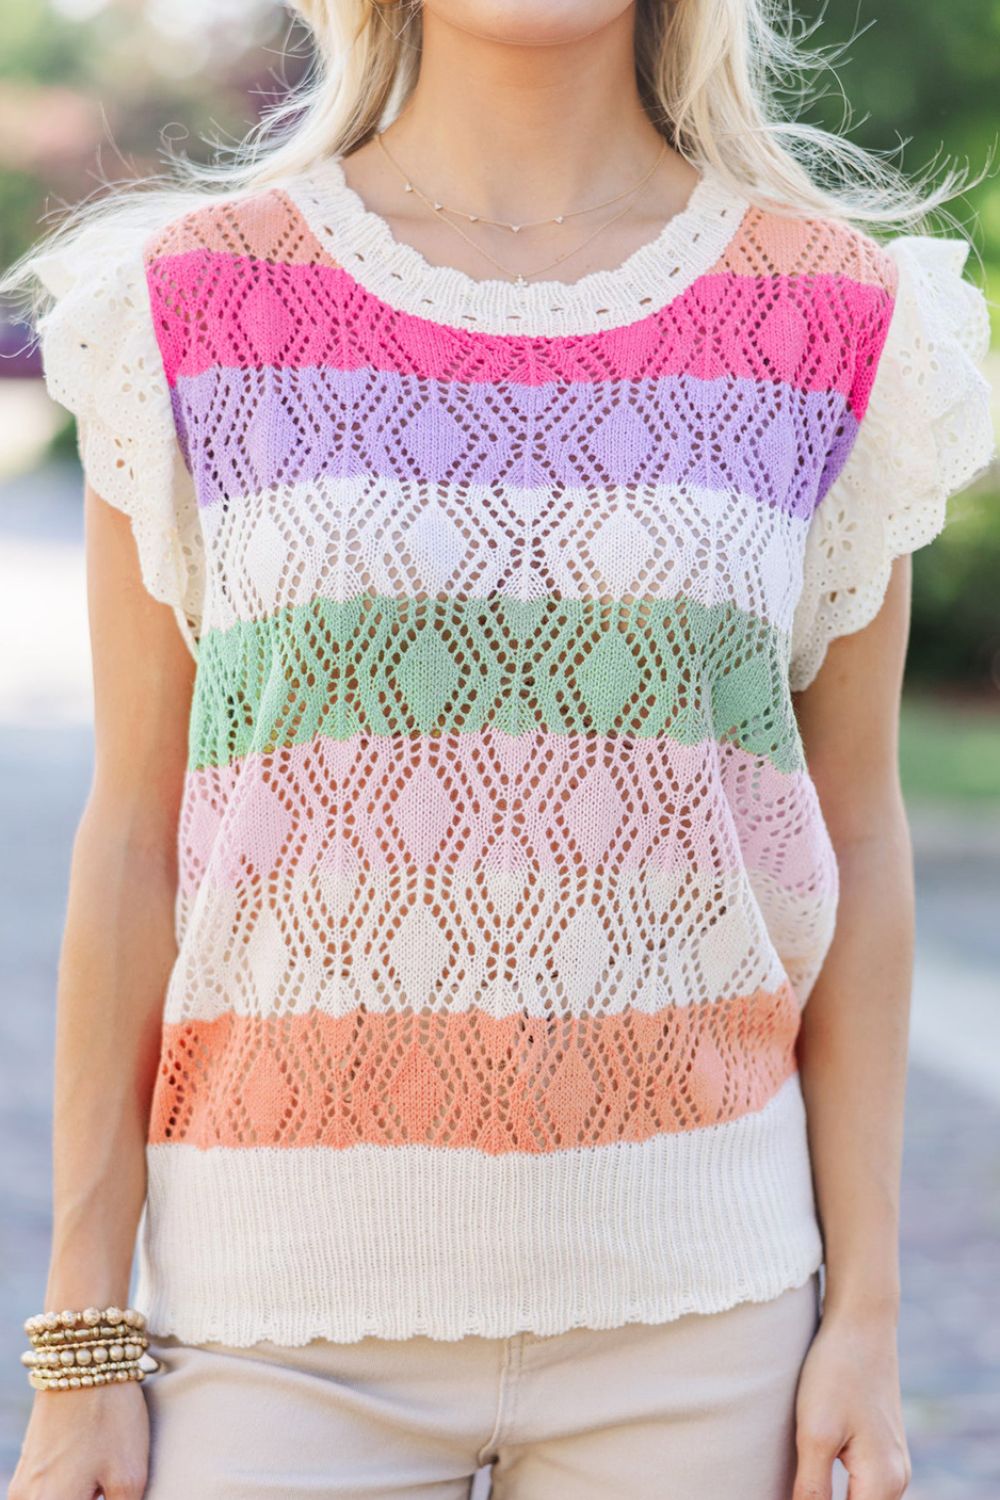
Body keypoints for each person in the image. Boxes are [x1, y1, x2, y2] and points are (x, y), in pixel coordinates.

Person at [4, 1, 995, 1497]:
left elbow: (856, 834)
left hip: (705, 1325)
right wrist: (82, 1345)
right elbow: (136, 838)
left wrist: (865, 1316)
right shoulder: (191, 303)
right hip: (275, 1326)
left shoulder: (834, 313)